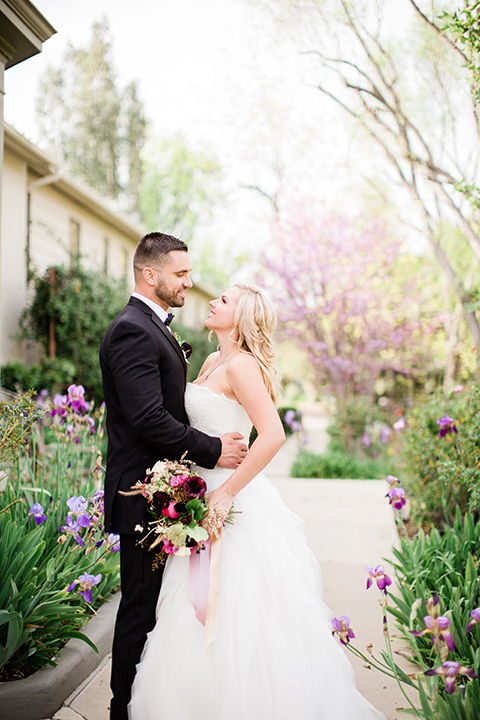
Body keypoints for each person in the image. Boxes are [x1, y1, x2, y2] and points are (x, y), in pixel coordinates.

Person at [128, 284, 386, 720]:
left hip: (231, 501)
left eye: (224, 300)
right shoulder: (213, 361)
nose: (212, 301)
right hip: (195, 494)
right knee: (186, 612)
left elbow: (272, 434)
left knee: (239, 616)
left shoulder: (243, 365)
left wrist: (226, 494)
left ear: (242, 316)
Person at [99, 233, 247, 720]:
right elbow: (146, 418)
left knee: (158, 608)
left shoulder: (152, 327)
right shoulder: (132, 330)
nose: (189, 282)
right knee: (140, 609)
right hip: (143, 494)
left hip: (166, 491)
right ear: (150, 275)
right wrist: (213, 450)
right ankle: (124, 708)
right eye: (181, 274)